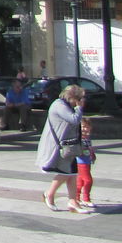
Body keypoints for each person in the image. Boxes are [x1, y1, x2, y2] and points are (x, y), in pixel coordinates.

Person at [35, 83, 87, 213]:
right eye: (78, 99)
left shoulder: (65, 105)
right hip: (60, 145)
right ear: (72, 97)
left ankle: (73, 201)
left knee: (71, 173)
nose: (79, 102)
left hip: (69, 144)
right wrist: (80, 108)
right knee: (66, 173)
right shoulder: (59, 105)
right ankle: (50, 194)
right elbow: (74, 120)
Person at [76, 117, 98, 210]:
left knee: (80, 180)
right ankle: (86, 198)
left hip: (86, 161)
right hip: (81, 161)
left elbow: (89, 148)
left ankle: (76, 197)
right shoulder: (79, 138)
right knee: (88, 180)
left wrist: (92, 154)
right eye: (83, 127)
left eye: (87, 127)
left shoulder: (87, 138)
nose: (85, 129)